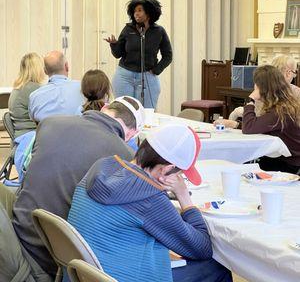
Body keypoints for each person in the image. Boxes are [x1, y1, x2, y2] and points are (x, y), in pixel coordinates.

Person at [0, 96, 145, 280]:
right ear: (133, 133)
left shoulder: (50, 123)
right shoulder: (124, 157)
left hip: (18, 231)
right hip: (51, 260)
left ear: (105, 107)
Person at [67, 124, 232, 282]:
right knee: (216, 268)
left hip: (81, 273)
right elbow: (202, 248)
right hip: (116, 276)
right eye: (180, 174)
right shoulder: (150, 198)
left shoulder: (102, 165)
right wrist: (183, 195)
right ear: (166, 170)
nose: (180, 179)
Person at [105, 0, 172, 109]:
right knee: (124, 111)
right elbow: (118, 54)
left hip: (147, 77)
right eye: (135, 11)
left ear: (149, 13)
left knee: (147, 112)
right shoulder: (128, 29)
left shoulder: (159, 31)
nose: (136, 13)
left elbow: (168, 56)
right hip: (124, 76)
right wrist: (113, 45)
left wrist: (156, 70)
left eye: (140, 10)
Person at [216, 54, 300, 129]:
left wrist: (235, 123)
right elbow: (259, 124)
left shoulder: (267, 93)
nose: (294, 75)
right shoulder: (295, 93)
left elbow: (257, 122)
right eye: (294, 72)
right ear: (288, 73)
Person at [242, 65, 300, 173]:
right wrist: (236, 124)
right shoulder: (283, 105)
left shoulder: (281, 111)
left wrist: (251, 100)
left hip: (289, 163)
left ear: (261, 87)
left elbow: (248, 128)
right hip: (284, 157)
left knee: (244, 166)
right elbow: (261, 125)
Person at [29, 50, 84, 122]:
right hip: (77, 132)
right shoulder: (83, 88)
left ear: (45, 71)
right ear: (67, 66)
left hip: (47, 133)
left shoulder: (34, 97)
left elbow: (34, 122)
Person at [8, 52, 46, 138]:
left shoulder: (18, 87)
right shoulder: (33, 88)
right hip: (32, 136)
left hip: (20, 135)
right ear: (37, 69)